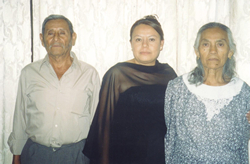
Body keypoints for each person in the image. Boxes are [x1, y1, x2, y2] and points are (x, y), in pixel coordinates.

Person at [83, 15, 177, 164]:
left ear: (161, 44)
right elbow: (104, 126)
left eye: (151, 39)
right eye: (138, 39)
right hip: (124, 156)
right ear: (131, 43)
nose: (144, 45)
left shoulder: (168, 74)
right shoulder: (118, 74)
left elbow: (174, 122)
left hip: (158, 154)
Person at [8, 14, 100, 164]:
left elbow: (97, 123)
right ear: (42, 39)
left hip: (77, 155)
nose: (56, 38)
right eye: (50, 33)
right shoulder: (29, 73)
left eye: (62, 32)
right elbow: (20, 119)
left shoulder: (89, 74)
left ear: (73, 37)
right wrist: (16, 157)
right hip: (35, 154)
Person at [164, 22, 250, 163]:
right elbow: (170, 137)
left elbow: (244, 139)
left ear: (230, 52)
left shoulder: (243, 92)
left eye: (220, 44)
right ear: (197, 51)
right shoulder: (178, 88)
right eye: (205, 44)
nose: (213, 50)